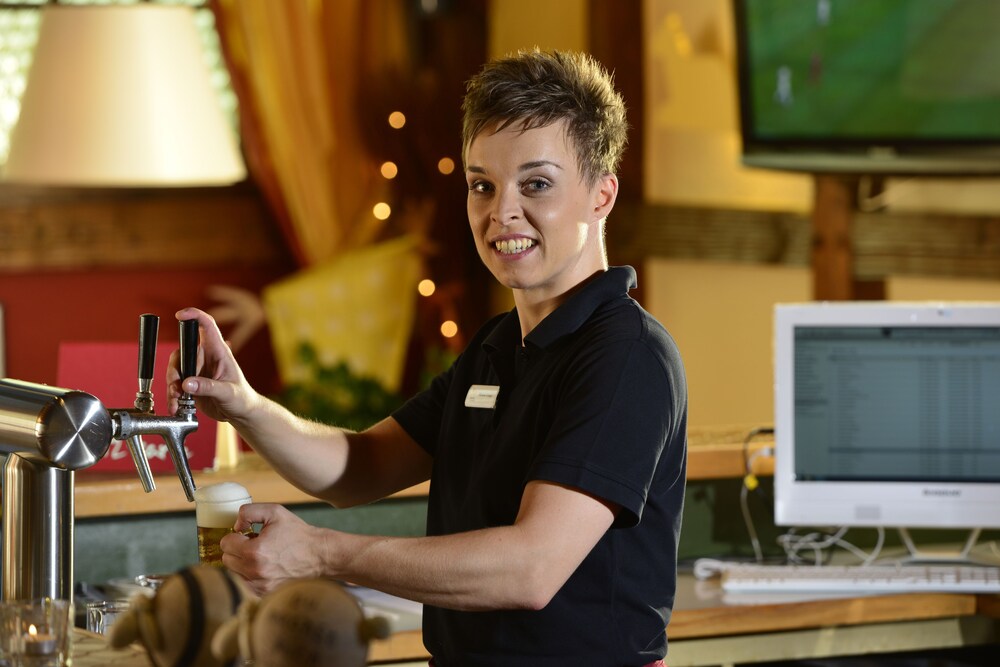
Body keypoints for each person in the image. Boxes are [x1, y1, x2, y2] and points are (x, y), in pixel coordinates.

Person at [168, 49, 687, 666]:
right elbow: (359, 467)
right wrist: (245, 407)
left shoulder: (627, 356)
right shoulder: (497, 346)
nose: (502, 212)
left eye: (536, 184)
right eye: (482, 185)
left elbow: (531, 568)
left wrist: (321, 553)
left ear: (602, 195)